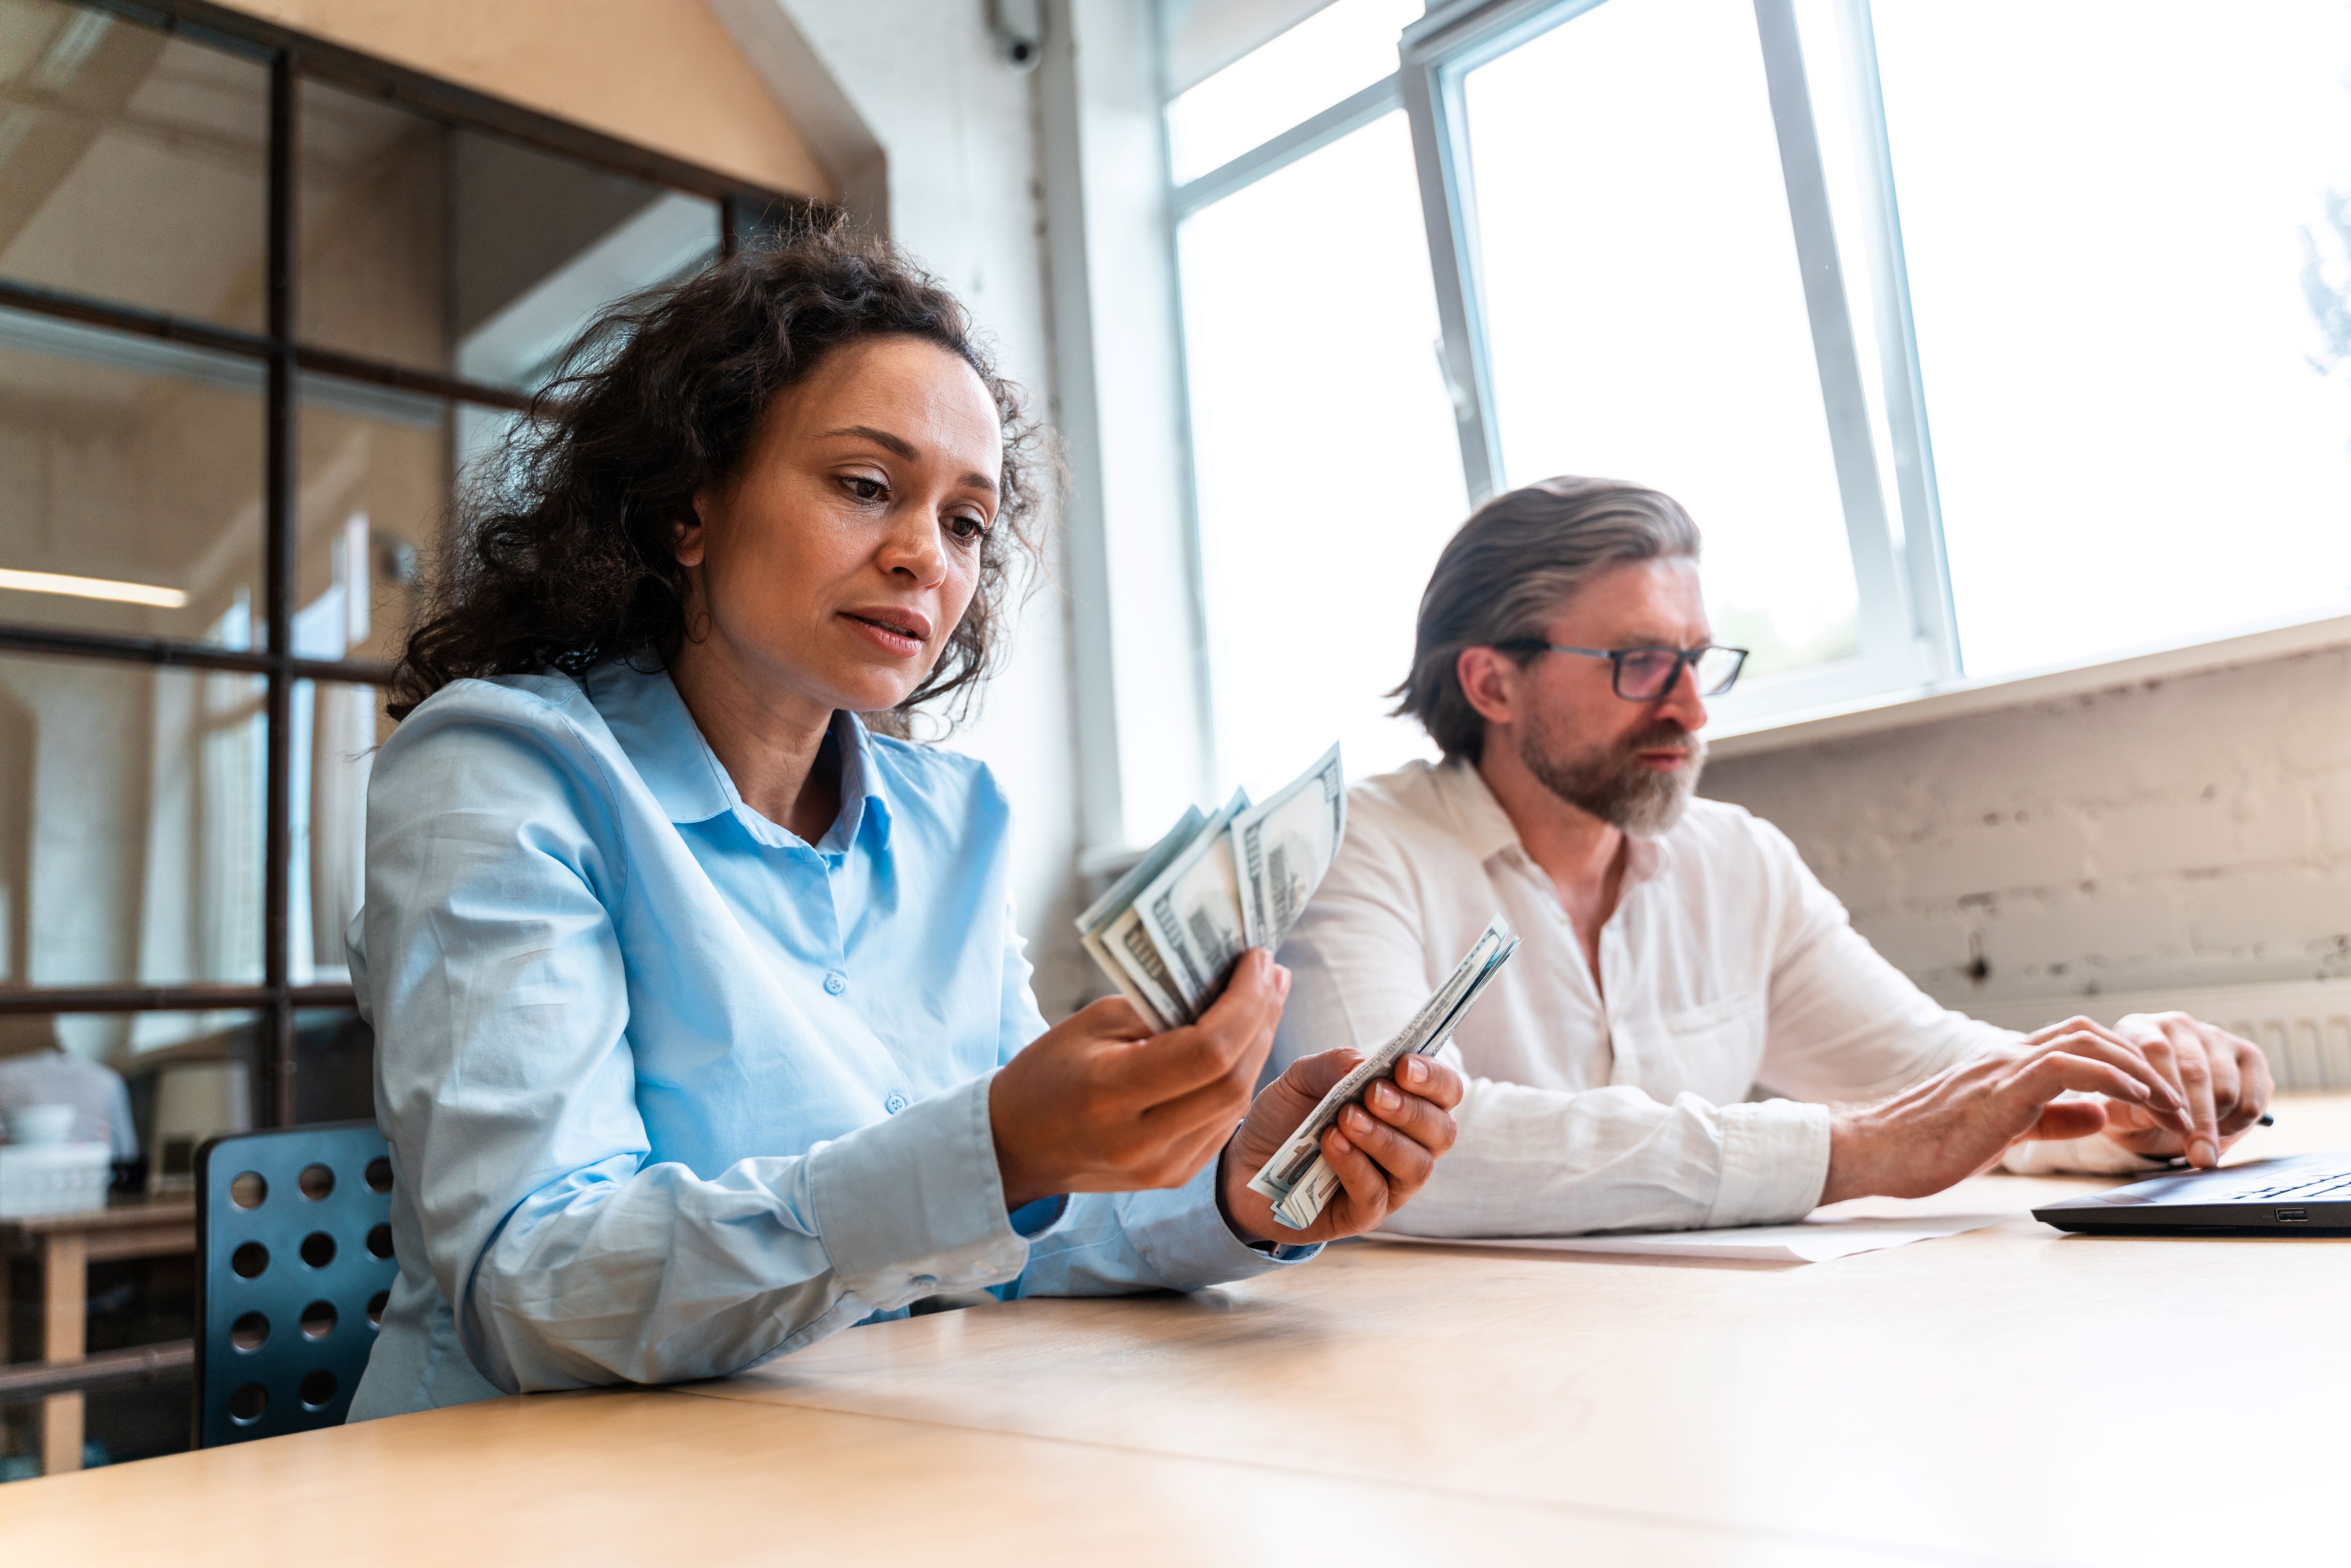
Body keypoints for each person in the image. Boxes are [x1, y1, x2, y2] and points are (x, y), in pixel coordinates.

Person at [347, 231, 1464, 1420]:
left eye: (969, 522)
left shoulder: (952, 817)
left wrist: (1239, 1185)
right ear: (691, 506)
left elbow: (1025, 1226)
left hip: (844, 1463)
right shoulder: (501, 770)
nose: (924, 556)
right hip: (512, 1498)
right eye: (866, 486)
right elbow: (539, 1288)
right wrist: (998, 1151)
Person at [1271, 477, 2268, 1238]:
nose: (1693, 708)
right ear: (1492, 683)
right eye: (1641, 663)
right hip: (1429, 1383)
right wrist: (1850, 1149)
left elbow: (1934, 1080)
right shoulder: (1358, 852)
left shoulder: (1738, 861)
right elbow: (1388, 1158)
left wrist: (2124, 1102)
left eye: (1699, 661)